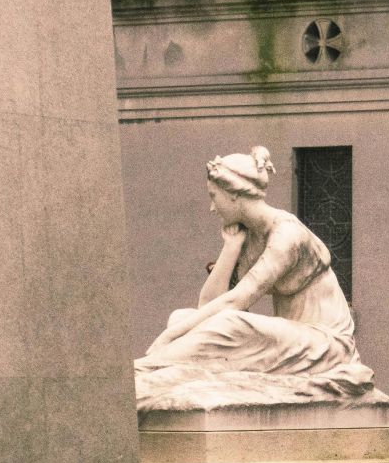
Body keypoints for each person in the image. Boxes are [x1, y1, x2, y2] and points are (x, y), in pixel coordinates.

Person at [135, 146, 372, 398]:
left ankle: (148, 367)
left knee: (229, 322)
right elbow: (208, 304)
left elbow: (237, 301)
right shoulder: (248, 236)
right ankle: (158, 368)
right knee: (181, 317)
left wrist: (166, 339)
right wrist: (231, 247)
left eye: (214, 196)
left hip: (326, 344)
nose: (212, 208)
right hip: (293, 336)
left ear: (233, 195)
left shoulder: (287, 235)